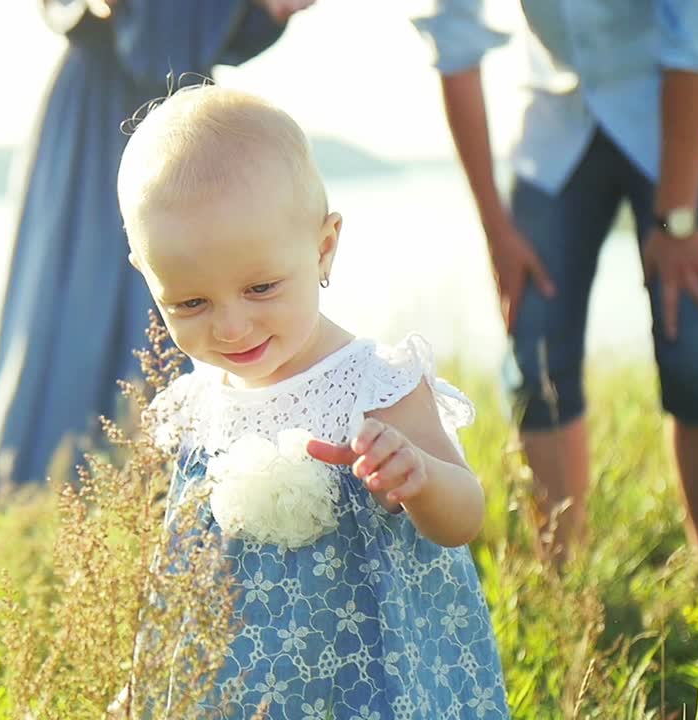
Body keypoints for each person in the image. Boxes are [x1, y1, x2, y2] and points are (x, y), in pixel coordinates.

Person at [121, 85, 507, 718]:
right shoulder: (195, 406)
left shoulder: (371, 382)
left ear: (324, 247)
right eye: (189, 302)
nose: (231, 328)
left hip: (371, 673)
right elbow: (179, 571)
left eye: (261, 287)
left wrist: (419, 475)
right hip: (240, 689)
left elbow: (464, 517)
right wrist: (148, 675)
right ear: (148, 274)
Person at [413, 1, 698, 559]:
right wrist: (498, 230)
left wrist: (678, 220)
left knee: (697, 343)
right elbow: (455, 48)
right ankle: (564, 578)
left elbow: (697, 34)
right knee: (535, 343)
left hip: (676, 111)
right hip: (557, 127)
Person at [0, 0, 316, 505]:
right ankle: (39, 494)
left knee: (204, 293)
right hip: (104, 116)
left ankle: (177, 488)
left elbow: (209, 36)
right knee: (79, 292)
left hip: (182, 124)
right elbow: (151, 47)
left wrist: (270, 11)